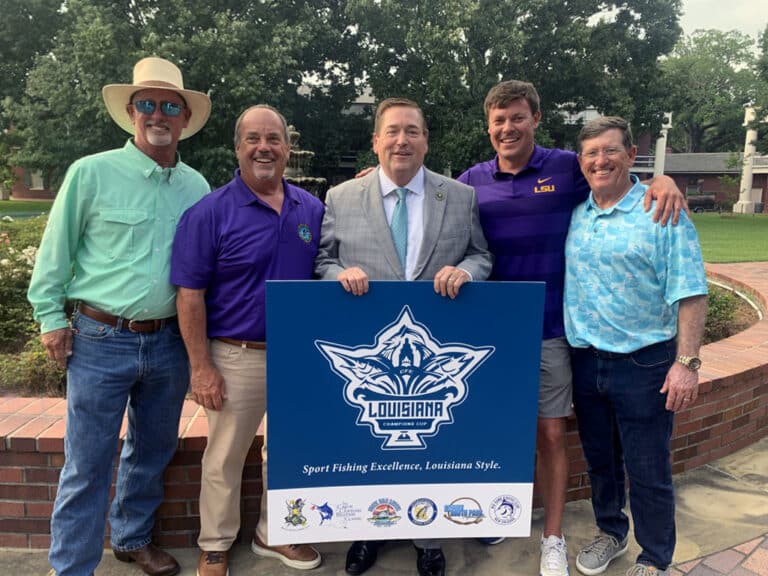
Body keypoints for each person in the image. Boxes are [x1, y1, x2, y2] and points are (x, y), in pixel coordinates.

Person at [457, 80, 687, 576]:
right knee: (499, 431)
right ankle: (506, 510)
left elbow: (616, 176)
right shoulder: (470, 179)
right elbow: (431, 206)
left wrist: (661, 179)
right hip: (493, 335)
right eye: (498, 120)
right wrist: (382, 177)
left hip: (556, 334)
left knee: (557, 436)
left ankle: (582, 543)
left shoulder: (566, 166)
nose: (507, 128)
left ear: (535, 119)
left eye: (517, 117)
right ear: (488, 125)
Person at [27, 57, 211, 576]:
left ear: (183, 116)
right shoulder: (92, 172)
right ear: (132, 111)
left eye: (169, 105)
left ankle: (131, 538)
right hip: (98, 338)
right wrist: (50, 316)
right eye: (148, 104)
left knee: (152, 451)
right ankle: (72, 568)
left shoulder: (196, 188)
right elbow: (54, 251)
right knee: (86, 465)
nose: (159, 114)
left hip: (170, 342)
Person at [314, 97, 492, 576]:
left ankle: (428, 541)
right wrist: (338, 275)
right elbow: (322, 260)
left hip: (432, 349)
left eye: (412, 131)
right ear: (375, 141)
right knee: (370, 446)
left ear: (425, 140)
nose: (402, 140)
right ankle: (367, 535)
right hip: (371, 349)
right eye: (392, 131)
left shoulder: (459, 196)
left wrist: (466, 272)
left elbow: (481, 255)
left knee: (427, 449)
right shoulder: (341, 197)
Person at [170, 105, 324, 576]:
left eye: (274, 139)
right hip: (236, 355)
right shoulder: (209, 213)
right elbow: (189, 294)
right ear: (237, 148)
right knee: (225, 455)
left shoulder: (311, 208)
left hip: (297, 355)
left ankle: (273, 534)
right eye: (253, 139)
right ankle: (215, 544)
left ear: (287, 148)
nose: (264, 148)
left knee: (288, 450)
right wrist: (201, 366)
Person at [564, 116, 707, 576]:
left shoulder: (659, 209)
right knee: (600, 461)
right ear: (581, 162)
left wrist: (686, 363)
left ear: (630, 156)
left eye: (610, 151)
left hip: (645, 363)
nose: (600, 160)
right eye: (591, 153)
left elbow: (691, 290)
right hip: (586, 361)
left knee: (648, 469)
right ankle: (611, 532)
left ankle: (655, 557)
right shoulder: (576, 211)